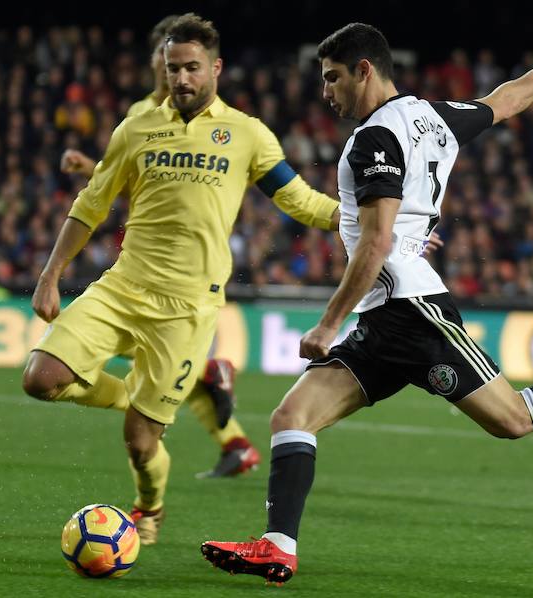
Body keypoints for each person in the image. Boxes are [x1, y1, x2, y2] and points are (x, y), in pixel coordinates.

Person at [200, 23, 533, 584]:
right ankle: (278, 547)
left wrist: (328, 324)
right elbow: (501, 103)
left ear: (365, 70)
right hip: (387, 315)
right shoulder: (433, 117)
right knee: (291, 416)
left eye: (333, 78)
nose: (327, 93)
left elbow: (376, 243)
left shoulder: (375, 140)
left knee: (515, 420)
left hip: (412, 308)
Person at [21, 13, 344, 546]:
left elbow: (297, 198)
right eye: (173, 68)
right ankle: (133, 394)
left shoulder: (246, 134)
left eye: (192, 67)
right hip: (122, 287)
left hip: (188, 307)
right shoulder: (137, 126)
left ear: (215, 68)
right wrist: (50, 274)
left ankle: (148, 508)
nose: (182, 79)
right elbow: (92, 203)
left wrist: (360, 220)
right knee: (41, 378)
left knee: (140, 442)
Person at [59, 15, 262, 480]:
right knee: (160, 368)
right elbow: (135, 183)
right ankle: (234, 440)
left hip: (185, 271)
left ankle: (213, 394)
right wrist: (94, 168)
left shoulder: (212, 123)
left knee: (155, 362)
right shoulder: (142, 117)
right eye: (164, 61)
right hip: (145, 261)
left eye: (177, 62)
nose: (169, 70)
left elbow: (172, 186)